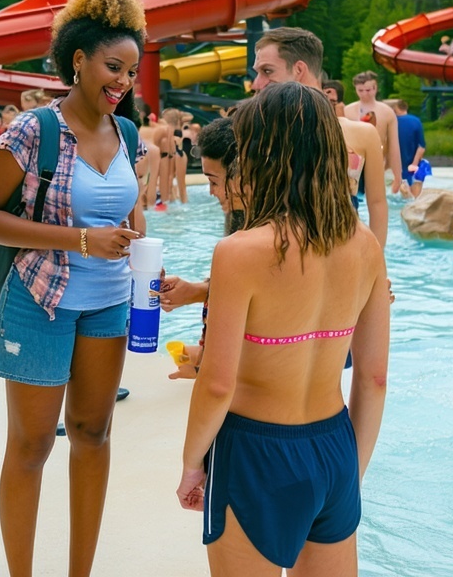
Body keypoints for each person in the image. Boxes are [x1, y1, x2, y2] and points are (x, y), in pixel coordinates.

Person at [0, 0, 149, 577]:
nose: (122, 81)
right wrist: (78, 240)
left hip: (109, 305)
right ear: (79, 59)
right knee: (32, 446)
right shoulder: (32, 130)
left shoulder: (126, 135)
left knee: (93, 433)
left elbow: (129, 214)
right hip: (39, 301)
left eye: (131, 70)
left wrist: (149, 263)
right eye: (112, 67)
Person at [176, 82, 390, 575]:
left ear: (263, 152)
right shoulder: (364, 246)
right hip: (335, 446)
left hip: (255, 451)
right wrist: (348, 475)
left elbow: (217, 383)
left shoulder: (240, 252)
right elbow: (374, 378)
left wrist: (192, 463)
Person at [251, 29, 388, 246]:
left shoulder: (362, 134)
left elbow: (378, 204)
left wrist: (376, 264)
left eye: (267, 71)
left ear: (299, 69)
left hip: (342, 256)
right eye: (257, 73)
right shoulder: (256, 132)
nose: (256, 84)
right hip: (277, 257)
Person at [160, 116, 243, 381]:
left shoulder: (257, 240)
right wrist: (194, 291)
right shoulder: (240, 218)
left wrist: (206, 364)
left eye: (214, 181)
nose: (210, 192)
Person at [345, 72, 405, 199]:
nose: (364, 93)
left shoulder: (387, 112)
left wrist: (398, 175)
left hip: (378, 163)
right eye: (360, 90)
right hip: (353, 166)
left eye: (368, 90)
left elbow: (394, 145)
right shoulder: (348, 110)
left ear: (375, 88)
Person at [388, 99, 429, 199]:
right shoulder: (416, 121)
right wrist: (414, 164)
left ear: (394, 110)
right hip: (415, 167)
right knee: (415, 200)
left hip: (397, 168)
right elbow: (421, 147)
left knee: (400, 197)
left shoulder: (390, 123)